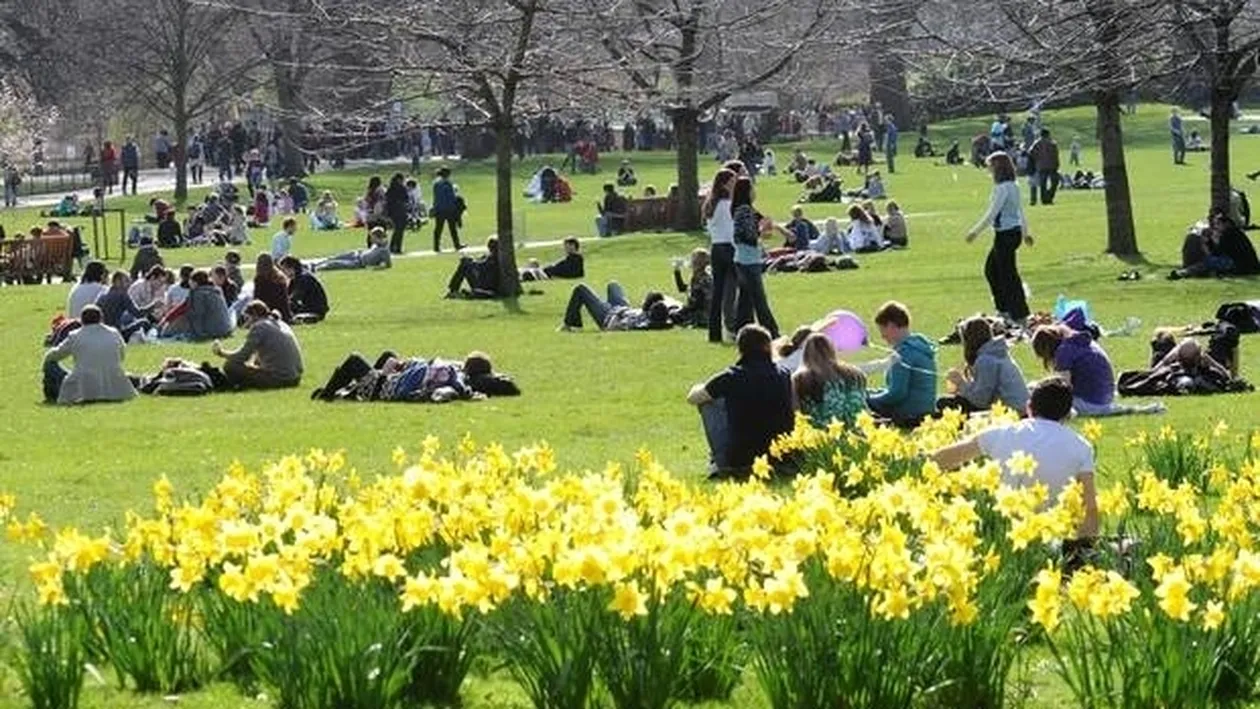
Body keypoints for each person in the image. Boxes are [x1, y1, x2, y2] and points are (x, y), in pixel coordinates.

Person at [931, 377, 1099, 541]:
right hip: (1053, 537)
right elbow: (1089, 509)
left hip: (1002, 535)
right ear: (1068, 415)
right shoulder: (1082, 447)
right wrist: (1084, 553)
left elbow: (939, 460)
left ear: (1029, 408)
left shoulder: (1000, 434)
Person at [686, 325, 794, 479]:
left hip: (742, 458)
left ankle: (719, 460)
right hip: (781, 456)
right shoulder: (783, 374)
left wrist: (699, 387)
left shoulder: (731, 377)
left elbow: (693, 398)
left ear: (740, 349)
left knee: (708, 402)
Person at [1031, 324, 1164, 417]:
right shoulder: (1080, 341)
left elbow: (1063, 389)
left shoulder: (1064, 352)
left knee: (1038, 394)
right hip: (1106, 396)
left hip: (1090, 402)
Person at [967, 152, 1033, 324]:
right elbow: (1020, 212)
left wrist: (975, 231)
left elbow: (992, 213)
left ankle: (1017, 313)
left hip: (1006, 235)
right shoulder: (1013, 185)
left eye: (991, 166)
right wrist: (1025, 233)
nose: (988, 169)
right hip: (1012, 233)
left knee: (1007, 275)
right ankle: (1005, 309)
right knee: (993, 271)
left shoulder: (1003, 188)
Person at [43, 305, 137, 405]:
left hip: (84, 386)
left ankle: (52, 395)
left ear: (82, 320)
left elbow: (55, 355)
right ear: (101, 319)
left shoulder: (75, 336)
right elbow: (121, 356)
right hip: (113, 384)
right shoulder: (114, 333)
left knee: (50, 365)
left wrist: (47, 356)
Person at [937, 316, 1029, 414]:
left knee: (944, 403)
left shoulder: (985, 360)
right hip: (1020, 408)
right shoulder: (997, 353)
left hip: (1011, 413)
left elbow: (980, 401)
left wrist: (961, 383)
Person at [867, 301, 937, 427]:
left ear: (891, 325)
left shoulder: (904, 353)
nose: (882, 336)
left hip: (909, 413)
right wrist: (870, 392)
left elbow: (896, 394)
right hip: (924, 412)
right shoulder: (918, 346)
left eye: (882, 330)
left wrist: (867, 399)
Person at [212, 300, 304, 390]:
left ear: (255, 315)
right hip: (295, 378)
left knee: (230, 366)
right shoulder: (280, 323)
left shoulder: (259, 327)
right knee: (254, 364)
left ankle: (242, 386)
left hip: (280, 379)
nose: (247, 323)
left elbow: (241, 357)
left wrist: (221, 353)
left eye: (247, 318)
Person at [731, 176, 780, 338]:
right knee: (759, 300)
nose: (754, 192)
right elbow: (744, 235)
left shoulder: (745, 209)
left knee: (745, 301)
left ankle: (741, 330)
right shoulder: (744, 210)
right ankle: (772, 332)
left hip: (743, 259)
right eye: (752, 188)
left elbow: (761, 221)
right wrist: (761, 233)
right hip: (748, 260)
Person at [792, 333, 868, 429]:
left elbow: (796, 414)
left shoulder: (800, 379)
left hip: (821, 438)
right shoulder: (856, 374)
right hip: (859, 433)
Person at [1171, 209, 1260, 279]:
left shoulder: (1229, 234)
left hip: (1242, 266)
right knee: (1210, 262)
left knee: (1209, 262)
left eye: (1218, 224)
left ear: (1226, 224)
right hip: (1243, 264)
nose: (1216, 226)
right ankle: (1185, 272)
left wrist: (1206, 243)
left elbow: (1216, 254)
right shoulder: (1234, 232)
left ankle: (1184, 273)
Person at [704, 168, 738, 343]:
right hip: (729, 248)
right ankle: (732, 326)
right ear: (725, 184)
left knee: (718, 292)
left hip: (716, 248)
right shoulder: (727, 204)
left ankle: (714, 332)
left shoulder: (711, 204)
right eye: (732, 182)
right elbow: (731, 230)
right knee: (732, 289)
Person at [96, 271, 152, 341]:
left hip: (100, 333)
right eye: (126, 281)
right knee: (145, 322)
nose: (129, 284)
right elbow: (138, 314)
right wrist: (153, 306)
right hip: (116, 333)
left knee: (128, 318)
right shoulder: (122, 294)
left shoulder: (102, 295)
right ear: (117, 282)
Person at [314, 226, 393, 271]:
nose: (371, 240)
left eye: (373, 237)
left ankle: (316, 268)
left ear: (378, 237)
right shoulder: (377, 244)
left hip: (358, 263)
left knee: (335, 263)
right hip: (357, 254)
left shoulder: (384, 250)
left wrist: (376, 268)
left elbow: (388, 265)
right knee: (333, 258)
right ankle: (314, 265)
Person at [279, 256, 330, 323]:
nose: (283, 273)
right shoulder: (296, 278)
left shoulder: (304, 278)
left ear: (291, 268)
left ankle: (308, 317)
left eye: (284, 270)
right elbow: (287, 296)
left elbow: (295, 297)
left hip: (315, 309)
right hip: (307, 307)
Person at [672, 248, 712, 328]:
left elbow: (698, 303)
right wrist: (677, 271)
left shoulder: (704, 279)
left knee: (674, 315)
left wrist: (684, 310)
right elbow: (682, 289)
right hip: (695, 309)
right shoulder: (696, 276)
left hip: (702, 314)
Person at [253, 253, 293, 323]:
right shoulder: (280, 277)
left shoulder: (260, 279)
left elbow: (258, 299)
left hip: (267, 312)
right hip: (284, 313)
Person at [432, 167, 463, 252]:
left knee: (438, 228)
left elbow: (436, 197)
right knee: (452, 228)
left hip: (439, 209)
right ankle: (457, 244)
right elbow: (451, 197)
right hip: (449, 208)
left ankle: (436, 246)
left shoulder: (436, 183)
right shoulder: (447, 183)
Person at [1028, 129, 1061, 206]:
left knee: (1043, 184)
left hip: (1041, 166)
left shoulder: (1036, 143)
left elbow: (1031, 153)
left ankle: (1044, 199)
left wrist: (1037, 160)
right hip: (1052, 166)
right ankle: (1049, 197)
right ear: (1048, 134)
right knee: (1054, 183)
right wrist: (1057, 164)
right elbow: (1056, 155)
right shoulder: (1052, 143)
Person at [385, 172, 410, 254]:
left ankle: (392, 246)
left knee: (396, 230)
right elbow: (406, 198)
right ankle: (398, 247)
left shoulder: (390, 188)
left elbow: (387, 200)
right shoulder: (402, 188)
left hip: (392, 211)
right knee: (400, 230)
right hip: (400, 210)